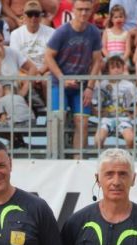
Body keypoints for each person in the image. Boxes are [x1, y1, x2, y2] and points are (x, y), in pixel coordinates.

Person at [44, 0, 102, 158]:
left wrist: (90, 87)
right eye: (80, 9)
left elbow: (97, 60)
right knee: (57, 119)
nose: (83, 13)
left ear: (91, 11)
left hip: (81, 85)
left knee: (82, 122)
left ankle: (77, 159)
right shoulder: (62, 31)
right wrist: (62, 78)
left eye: (87, 10)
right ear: (73, 10)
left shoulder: (94, 32)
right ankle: (55, 158)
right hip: (59, 83)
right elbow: (48, 56)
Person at [94, 54, 137, 149]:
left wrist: (134, 114)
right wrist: (97, 113)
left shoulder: (129, 85)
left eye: (119, 67)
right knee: (98, 140)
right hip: (107, 119)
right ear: (108, 70)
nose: (116, 70)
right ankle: (102, 159)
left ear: (123, 69)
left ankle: (129, 158)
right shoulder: (102, 85)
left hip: (123, 118)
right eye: (113, 67)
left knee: (130, 139)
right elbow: (91, 100)